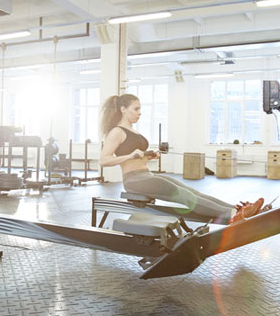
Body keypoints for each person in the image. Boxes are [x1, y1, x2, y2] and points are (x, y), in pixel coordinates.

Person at [98, 94, 263, 224]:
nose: (140, 113)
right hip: (133, 181)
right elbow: (103, 160)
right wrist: (130, 155)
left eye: (140, 109)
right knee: (184, 195)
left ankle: (237, 208)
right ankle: (232, 215)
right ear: (123, 109)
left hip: (147, 175)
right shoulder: (116, 132)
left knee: (193, 191)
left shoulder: (133, 131)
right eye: (136, 109)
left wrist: (150, 155)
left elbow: (137, 158)